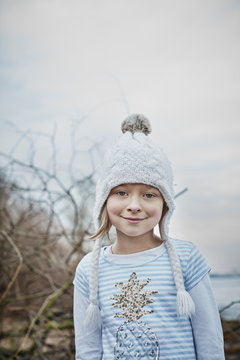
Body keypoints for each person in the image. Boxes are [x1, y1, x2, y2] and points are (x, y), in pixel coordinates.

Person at [73, 114, 225, 360]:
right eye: (121, 192)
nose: (134, 205)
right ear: (103, 201)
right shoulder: (89, 270)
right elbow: (88, 350)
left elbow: (210, 343)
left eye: (149, 195)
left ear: (165, 204)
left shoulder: (187, 258)